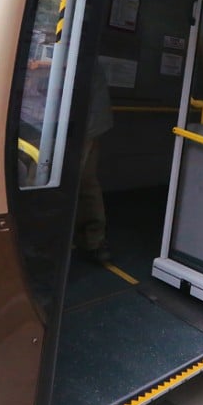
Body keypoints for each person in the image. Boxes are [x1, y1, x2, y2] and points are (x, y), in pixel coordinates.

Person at [75, 60, 113, 263]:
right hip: (87, 123)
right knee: (86, 184)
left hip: (81, 125)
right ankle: (93, 241)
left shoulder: (72, 49)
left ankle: (93, 241)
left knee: (74, 183)